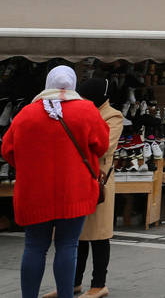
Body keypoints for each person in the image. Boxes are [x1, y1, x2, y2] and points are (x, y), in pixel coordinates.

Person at [2, 65, 109, 298]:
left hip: (34, 192)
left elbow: (7, 150)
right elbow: (101, 145)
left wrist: (31, 166)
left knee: (34, 247)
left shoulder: (27, 113)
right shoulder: (87, 110)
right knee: (67, 246)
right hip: (74, 190)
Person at [70, 78, 124, 298]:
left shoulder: (113, 116)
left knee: (99, 236)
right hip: (79, 179)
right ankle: (73, 283)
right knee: (78, 235)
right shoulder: (83, 110)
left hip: (99, 181)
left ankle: (98, 284)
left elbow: (103, 148)